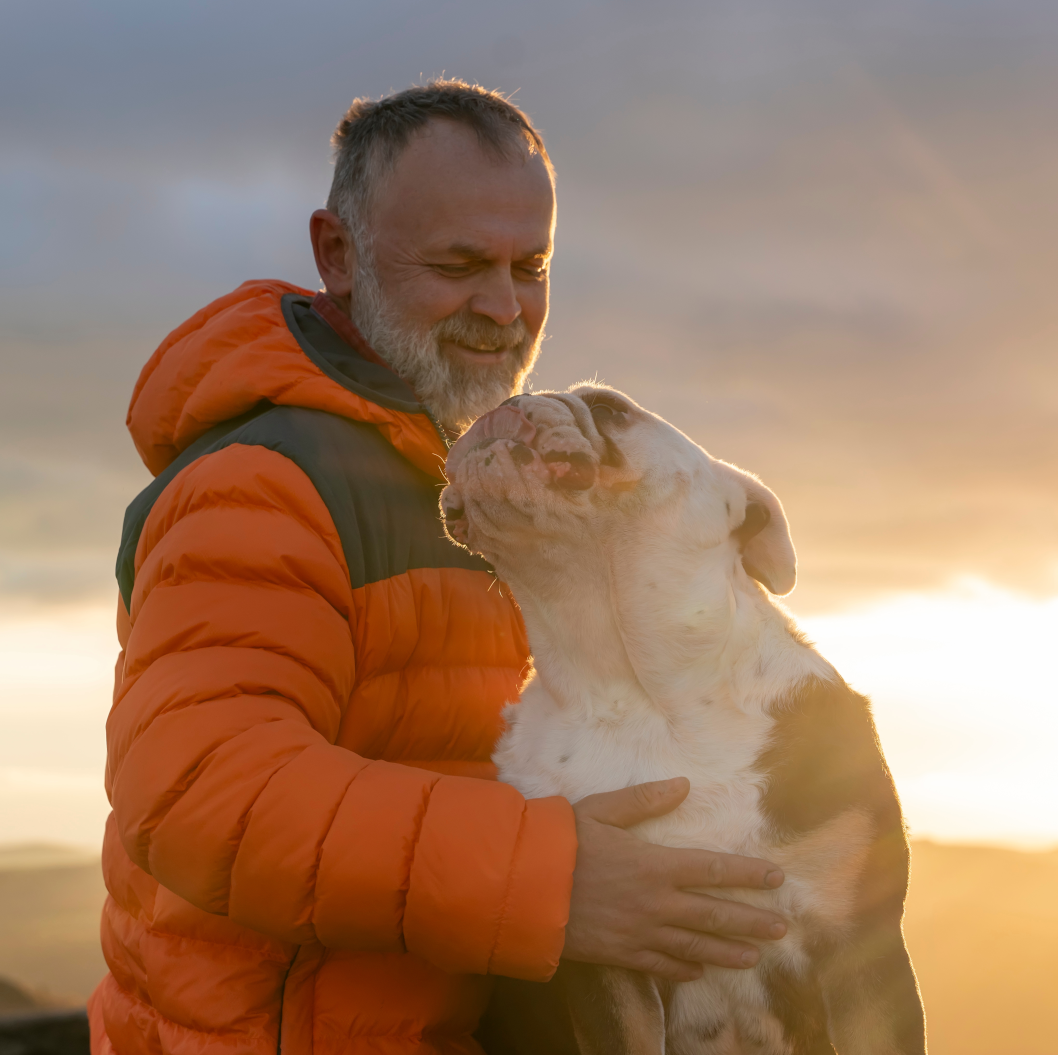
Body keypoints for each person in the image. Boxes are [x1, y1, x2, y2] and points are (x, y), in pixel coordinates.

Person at [88, 81, 791, 1055]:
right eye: (460, 265)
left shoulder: (471, 480)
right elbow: (202, 791)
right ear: (338, 255)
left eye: (530, 266)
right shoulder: (262, 483)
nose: (504, 309)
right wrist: (550, 886)